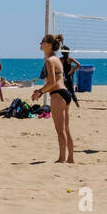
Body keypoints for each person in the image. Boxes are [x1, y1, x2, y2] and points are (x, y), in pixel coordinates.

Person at [29, 33, 74, 164]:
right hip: (65, 93)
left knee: (60, 130)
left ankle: (62, 158)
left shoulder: (49, 60)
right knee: (66, 128)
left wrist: (39, 91)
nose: (40, 44)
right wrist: (42, 92)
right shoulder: (56, 59)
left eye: (42, 42)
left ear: (49, 45)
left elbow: (52, 82)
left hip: (57, 94)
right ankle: (70, 158)